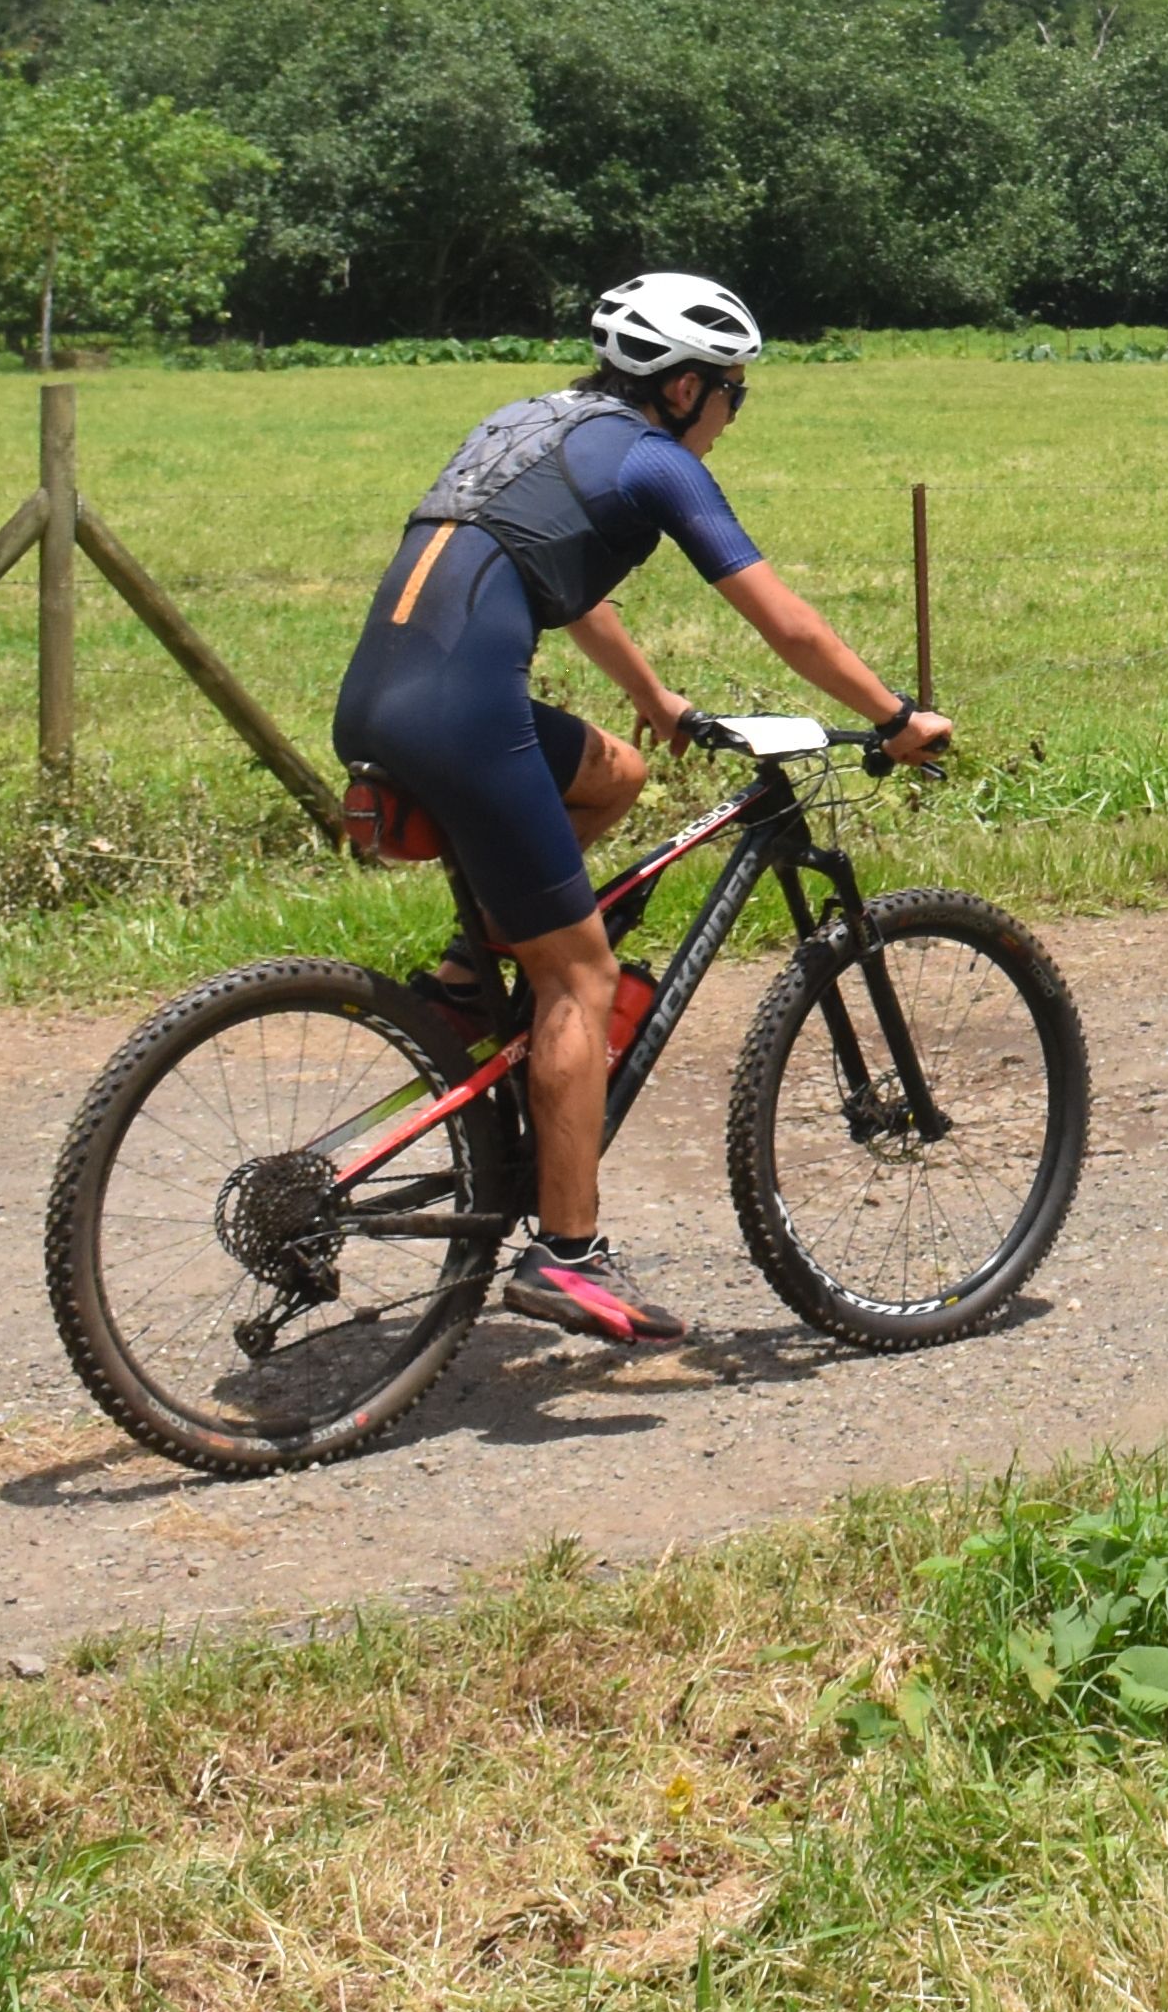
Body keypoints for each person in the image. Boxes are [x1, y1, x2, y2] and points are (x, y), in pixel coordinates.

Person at [328, 272, 946, 1346]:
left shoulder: (532, 422)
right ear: (686, 389)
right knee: (579, 972)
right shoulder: (656, 460)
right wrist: (895, 714)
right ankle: (568, 1255)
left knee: (613, 773)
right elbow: (786, 623)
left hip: (379, 697)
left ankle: (475, 980)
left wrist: (654, 698)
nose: (733, 414)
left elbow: (560, 578)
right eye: (733, 394)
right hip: (467, 715)